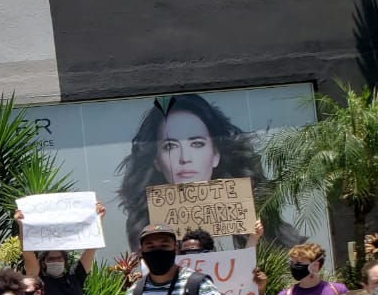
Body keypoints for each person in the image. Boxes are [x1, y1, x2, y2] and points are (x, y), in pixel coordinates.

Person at [115, 94, 302, 249]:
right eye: (170, 146)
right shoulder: (147, 226)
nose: (185, 158)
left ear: (215, 155)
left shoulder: (250, 216)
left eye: (197, 144)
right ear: (156, 161)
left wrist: (254, 237)